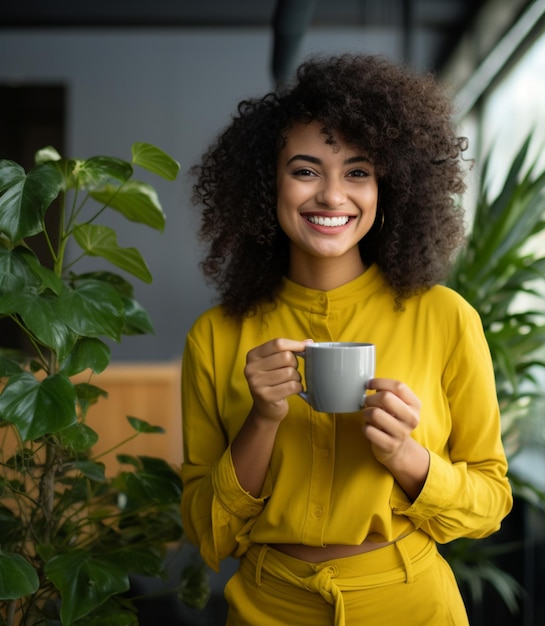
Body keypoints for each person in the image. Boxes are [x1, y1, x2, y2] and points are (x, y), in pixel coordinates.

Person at [181, 53, 513, 626]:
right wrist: (261, 420)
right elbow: (207, 532)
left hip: (411, 603)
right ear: (268, 185)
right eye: (306, 170)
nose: (332, 197)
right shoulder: (215, 337)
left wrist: (406, 458)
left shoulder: (446, 319)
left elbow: (490, 504)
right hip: (267, 607)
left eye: (358, 172)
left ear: (391, 187)